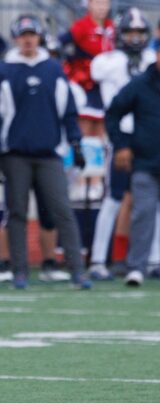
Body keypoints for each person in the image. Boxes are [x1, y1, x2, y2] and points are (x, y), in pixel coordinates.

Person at [0, 14, 91, 290]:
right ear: (16, 38)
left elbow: (67, 110)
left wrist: (76, 142)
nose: (28, 39)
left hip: (48, 153)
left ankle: (77, 270)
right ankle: (20, 271)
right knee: (16, 212)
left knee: (62, 210)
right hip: (15, 153)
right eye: (23, 35)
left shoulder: (52, 68)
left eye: (32, 34)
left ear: (39, 37)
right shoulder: (5, 70)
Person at [88, 8, 156, 281]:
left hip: (148, 139)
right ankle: (97, 259)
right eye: (130, 32)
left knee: (153, 201)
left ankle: (152, 259)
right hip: (121, 139)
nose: (135, 37)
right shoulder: (107, 61)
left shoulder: (152, 59)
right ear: (119, 35)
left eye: (140, 32)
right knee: (114, 197)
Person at [105, 37, 160, 287]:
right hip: (146, 162)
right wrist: (122, 144)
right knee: (142, 214)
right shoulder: (139, 85)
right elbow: (114, 112)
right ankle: (136, 267)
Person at [60, 0, 115, 137]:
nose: (101, 7)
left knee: (103, 129)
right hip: (86, 85)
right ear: (89, 5)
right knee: (85, 128)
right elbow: (61, 42)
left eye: (105, 3)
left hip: (106, 86)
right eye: (97, 3)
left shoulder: (111, 27)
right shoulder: (83, 26)